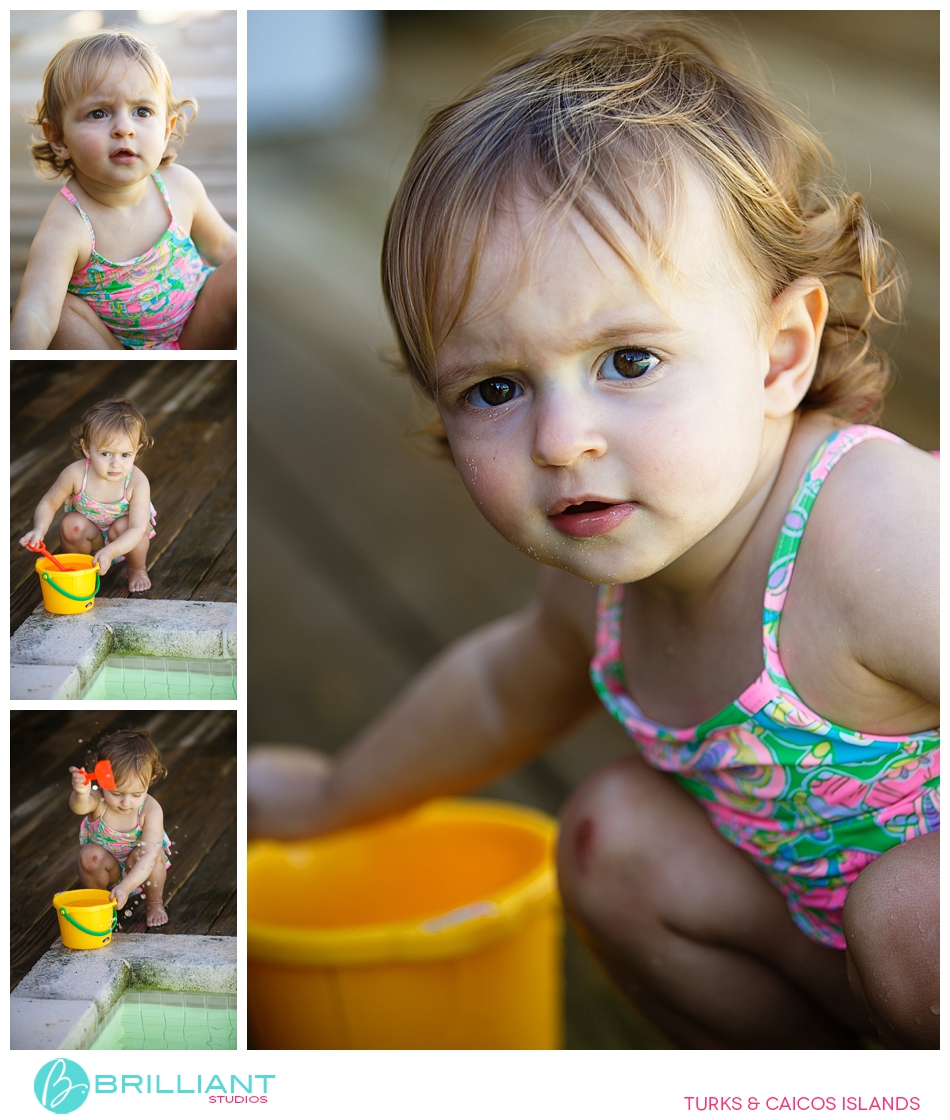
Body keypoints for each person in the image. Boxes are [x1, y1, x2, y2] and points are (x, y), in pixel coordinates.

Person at [248, 27, 938, 1049]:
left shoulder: (873, 532)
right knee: (607, 840)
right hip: (831, 957)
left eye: (626, 360)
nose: (562, 442)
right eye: (494, 388)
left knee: (907, 917)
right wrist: (332, 797)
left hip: (915, 931)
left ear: (777, 354)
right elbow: (496, 691)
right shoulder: (604, 581)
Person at [11, 29, 236, 350]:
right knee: (58, 311)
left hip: (198, 330)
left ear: (166, 129)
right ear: (59, 139)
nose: (124, 128)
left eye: (142, 111)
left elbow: (225, 247)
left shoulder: (180, 186)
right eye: (98, 113)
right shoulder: (67, 226)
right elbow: (36, 311)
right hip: (117, 352)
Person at [20, 397, 157, 592]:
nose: (116, 464)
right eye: (106, 454)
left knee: (128, 526)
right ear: (87, 449)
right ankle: (81, 567)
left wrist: (110, 552)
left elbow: (137, 529)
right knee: (71, 525)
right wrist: (39, 530)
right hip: (88, 535)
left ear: (137, 450)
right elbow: (50, 502)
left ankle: (137, 568)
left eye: (125, 455)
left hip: (123, 538)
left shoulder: (137, 481)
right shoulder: (75, 474)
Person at [69, 728, 171, 928]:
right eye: (116, 793)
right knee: (89, 855)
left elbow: (149, 856)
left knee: (155, 855)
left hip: (140, 867)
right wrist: (81, 793)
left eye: (136, 794)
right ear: (101, 780)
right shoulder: (99, 801)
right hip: (108, 868)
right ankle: (98, 902)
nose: (126, 802)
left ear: (150, 781)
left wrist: (126, 887)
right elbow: (78, 808)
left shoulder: (150, 809)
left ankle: (154, 902)